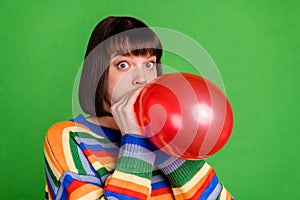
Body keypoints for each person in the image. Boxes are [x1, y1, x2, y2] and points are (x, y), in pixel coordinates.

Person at [44, 16, 234, 200]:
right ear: (98, 73)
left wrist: (168, 144)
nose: (142, 78)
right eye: (123, 64)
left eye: (149, 64)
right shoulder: (70, 137)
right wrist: (135, 140)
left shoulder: (170, 137)